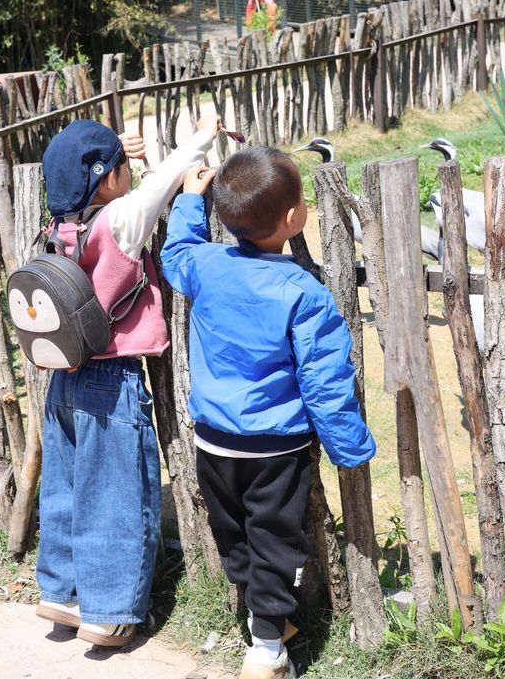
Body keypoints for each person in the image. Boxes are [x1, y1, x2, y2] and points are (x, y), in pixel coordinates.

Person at [161, 145, 376, 679]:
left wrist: (189, 198)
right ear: (294, 217)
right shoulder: (303, 292)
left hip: (213, 441)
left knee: (233, 533)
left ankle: (266, 618)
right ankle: (265, 650)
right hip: (274, 450)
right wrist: (350, 448)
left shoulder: (206, 266)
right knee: (275, 541)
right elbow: (325, 381)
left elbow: (176, 252)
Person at [35, 115, 220, 647]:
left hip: (63, 378)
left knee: (66, 487)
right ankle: (110, 611)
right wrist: (204, 136)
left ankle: (63, 591)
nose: (128, 173)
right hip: (110, 378)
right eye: (119, 167)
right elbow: (164, 179)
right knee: (116, 492)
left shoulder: (58, 227)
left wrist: (111, 150)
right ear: (107, 179)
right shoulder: (120, 221)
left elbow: (81, 170)